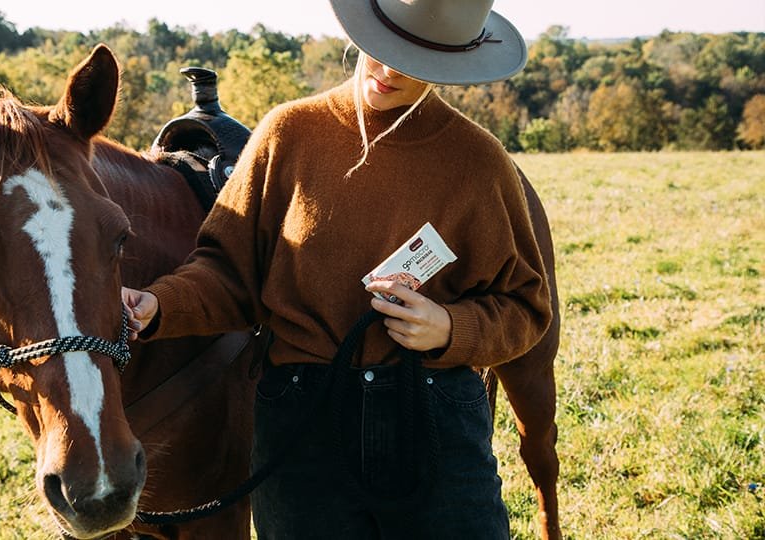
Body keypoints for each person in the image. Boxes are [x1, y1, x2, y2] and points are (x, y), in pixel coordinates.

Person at [122, 0, 552, 537]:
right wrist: (161, 303)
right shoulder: (287, 134)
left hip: (435, 414)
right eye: (384, 46)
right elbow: (229, 272)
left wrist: (450, 327)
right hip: (302, 421)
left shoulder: (480, 163)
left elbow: (526, 308)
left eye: (415, 58)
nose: (389, 68)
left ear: (450, 64)